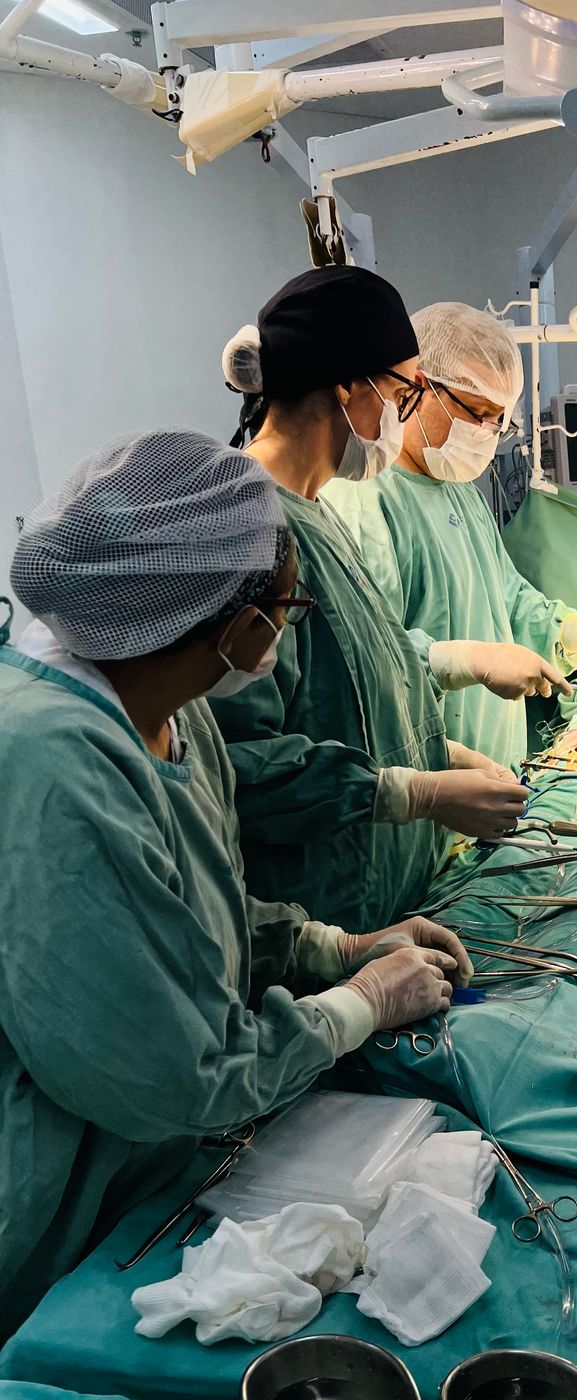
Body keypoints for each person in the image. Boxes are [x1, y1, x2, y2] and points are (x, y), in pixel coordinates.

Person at [0, 432, 471, 1333]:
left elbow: (194, 908)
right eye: (290, 607)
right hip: (54, 1194)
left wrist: (335, 948)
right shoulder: (55, 765)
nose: (285, 632)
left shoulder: (171, 713)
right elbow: (175, 1076)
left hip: (149, 1159)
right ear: (241, 624)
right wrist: (361, 1004)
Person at [213, 267, 566, 930]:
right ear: (348, 387)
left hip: (387, 891)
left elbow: (360, 673)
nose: (403, 418)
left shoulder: (314, 512)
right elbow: (234, 763)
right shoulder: (248, 532)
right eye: (404, 395)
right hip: (320, 911)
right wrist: (412, 793)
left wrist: (436, 751)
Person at [324, 301, 577, 769]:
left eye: (498, 420)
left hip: (496, 775)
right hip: (427, 782)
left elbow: (508, 600)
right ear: (417, 389)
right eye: (476, 412)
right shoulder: (364, 503)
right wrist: (448, 766)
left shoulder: (462, 493)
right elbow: (370, 664)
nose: (486, 432)